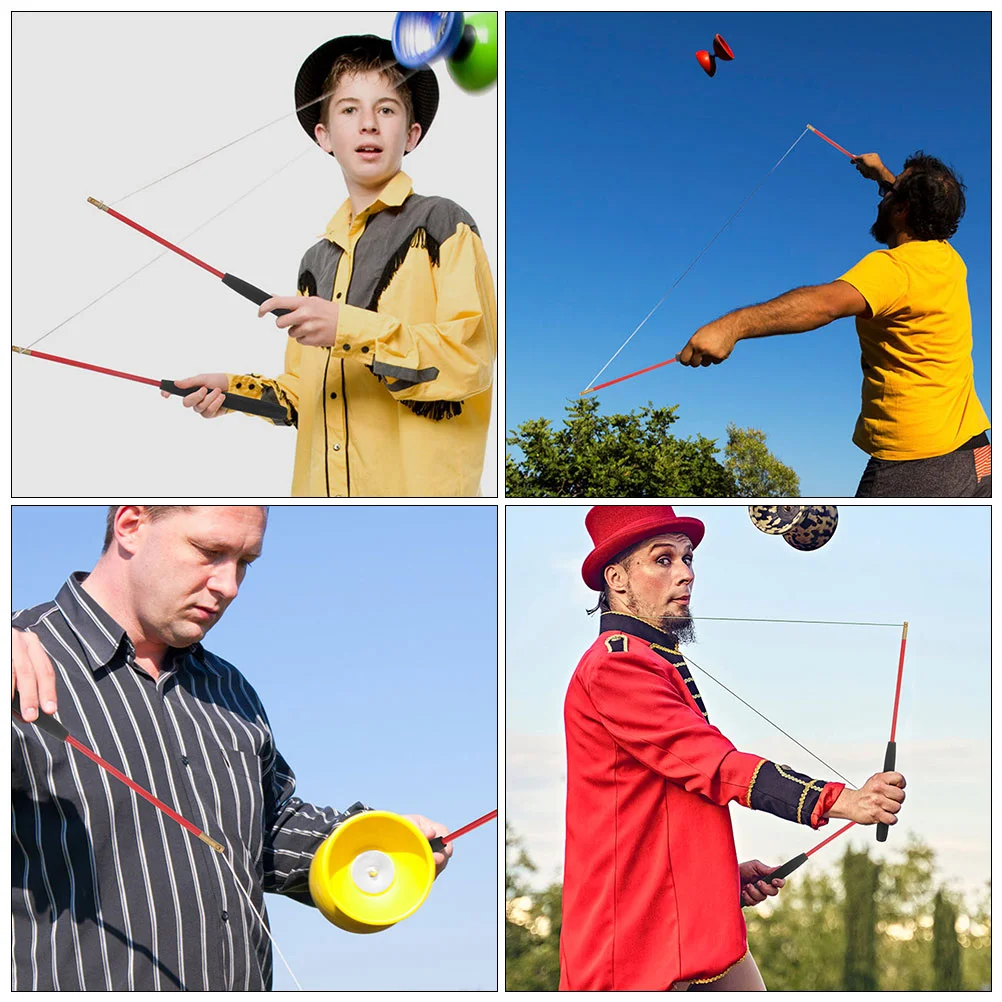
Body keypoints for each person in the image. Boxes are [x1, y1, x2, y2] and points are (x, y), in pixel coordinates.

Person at [11, 505, 452, 991]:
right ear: (131, 524)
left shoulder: (231, 689)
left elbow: (267, 828)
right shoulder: (18, 663)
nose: (230, 586)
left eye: (245, 562)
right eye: (210, 552)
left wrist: (373, 840)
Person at [560, 506, 907, 991]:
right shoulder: (616, 667)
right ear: (617, 579)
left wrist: (717, 877)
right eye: (664, 560)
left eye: (688, 558)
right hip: (638, 949)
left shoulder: (648, 660)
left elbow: (668, 799)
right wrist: (845, 801)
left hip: (687, 930)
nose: (685, 574)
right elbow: (715, 766)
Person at [166, 35, 497, 497]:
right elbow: (303, 396)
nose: (368, 125)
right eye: (348, 110)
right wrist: (230, 391)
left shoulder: (443, 222)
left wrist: (348, 327)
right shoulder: (315, 262)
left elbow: (471, 362)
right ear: (323, 136)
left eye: (386, 110)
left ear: (412, 134)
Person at [677, 151, 990, 498]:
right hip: (976, 452)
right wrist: (883, 175)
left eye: (891, 193)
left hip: (917, 462)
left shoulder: (893, 269)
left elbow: (823, 305)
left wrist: (732, 326)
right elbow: (921, 204)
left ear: (902, 210)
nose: (882, 198)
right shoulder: (946, 257)